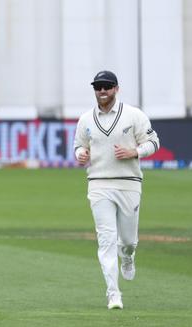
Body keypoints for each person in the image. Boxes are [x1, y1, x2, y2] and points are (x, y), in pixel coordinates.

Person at [73, 70, 160, 310]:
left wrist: (136, 152)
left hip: (128, 182)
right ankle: (113, 293)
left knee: (128, 241)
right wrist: (81, 155)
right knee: (106, 239)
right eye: (98, 87)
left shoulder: (134, 115)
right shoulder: (86, 119)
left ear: (116, 89)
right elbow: (79, 145)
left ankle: (129, 256)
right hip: (99, 183)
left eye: (107, 86)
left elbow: (153, 142)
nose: (102, 91)